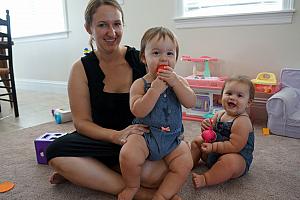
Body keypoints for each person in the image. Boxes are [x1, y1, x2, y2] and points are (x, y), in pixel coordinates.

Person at [46, 1, 172, 199]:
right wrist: (116, 136)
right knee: (55, 153)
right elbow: (81, 123)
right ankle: (140, 194)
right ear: (89, 28)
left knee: (154, 176)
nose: (111, 32)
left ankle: (90, 172)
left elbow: (167, 100)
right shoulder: (80, 69)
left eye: (117, 24)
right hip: (103, 137)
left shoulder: (143, 59)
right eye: (102, 25)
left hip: (139, 140)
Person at [118, 27, 196, 200]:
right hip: (145, 134)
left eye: (170, 53)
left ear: (176, 57)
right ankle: (132, 186)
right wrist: (154, 90)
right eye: (156, 53)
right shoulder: (139, 84)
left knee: (185, 162)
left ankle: (162, 195)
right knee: (127, 154)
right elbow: (137, 110)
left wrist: (176, 84)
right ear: (144, 58)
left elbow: (191, 102)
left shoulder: (179, 81)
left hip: (173, 138)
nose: (164, 58)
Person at [190, 75, 255, 189]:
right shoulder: (219, 114)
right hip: (214, 153)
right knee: (197, 141)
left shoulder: (242, 121)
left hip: (237, 155)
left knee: (229, 162)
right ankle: (189, 164)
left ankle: (206, 179)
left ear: (248, 103)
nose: (232, 98)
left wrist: (213, 147)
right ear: (221, 96)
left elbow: (234, 146)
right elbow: (210, 133)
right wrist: (206, 127)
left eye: (239, 95)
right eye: (229, 93)